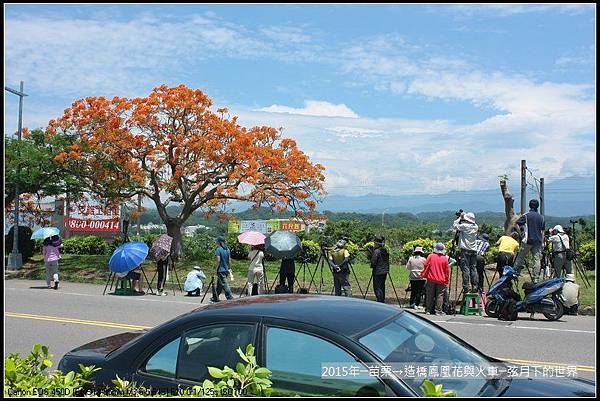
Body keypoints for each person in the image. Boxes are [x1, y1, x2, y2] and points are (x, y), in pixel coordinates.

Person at [514, 199, 546, 283]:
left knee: (520, 257)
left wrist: (520, 234)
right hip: (538, 241)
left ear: (529, 206)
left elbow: (516, 224)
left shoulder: (526, 216)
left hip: (527, 240)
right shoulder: (541, 217)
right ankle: (536, 278)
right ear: (537, 207)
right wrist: (542, 242)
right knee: (536, 260)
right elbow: (543, 231)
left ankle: (515, 273)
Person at [421, 243, 450, 315]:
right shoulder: (445, 259)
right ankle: (438, 310)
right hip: (441, 280)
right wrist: (446, 280)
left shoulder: (431, 256)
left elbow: (426, 265)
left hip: (431, 278)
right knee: (440, 295)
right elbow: (447, 271)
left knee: (429, 294)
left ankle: (428, 310)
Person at [453, 211, 479, 294]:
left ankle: (466, 287)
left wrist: (460, 218)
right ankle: (475, 286)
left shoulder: (464, 226)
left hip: (465, 251)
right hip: (474, 251)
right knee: (473, 268)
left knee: (466, 269)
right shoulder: (475, 226)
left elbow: (455, 225)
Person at [213, 236, 234, 302]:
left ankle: (230, 297)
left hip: (221, 270)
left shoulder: (218, 250)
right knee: (219, 284)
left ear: (219, 242)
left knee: (224, 284)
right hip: (226, 269)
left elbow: (218, 260)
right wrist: (229, 268)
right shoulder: (227, 249)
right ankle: (215, 297)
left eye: (217, 241)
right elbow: (229, 260)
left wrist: (216, 269)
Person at [370, 236, 390, 303]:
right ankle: (382, 299)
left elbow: (373, 262)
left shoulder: (376, 251)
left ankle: (379, 300)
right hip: (385, 271)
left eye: (374, 243)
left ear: (377, 243)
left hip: (377, 271)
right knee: (382, 286)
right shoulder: (385, 250)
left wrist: (372, 265)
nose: (374, 244)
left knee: (377, 287)